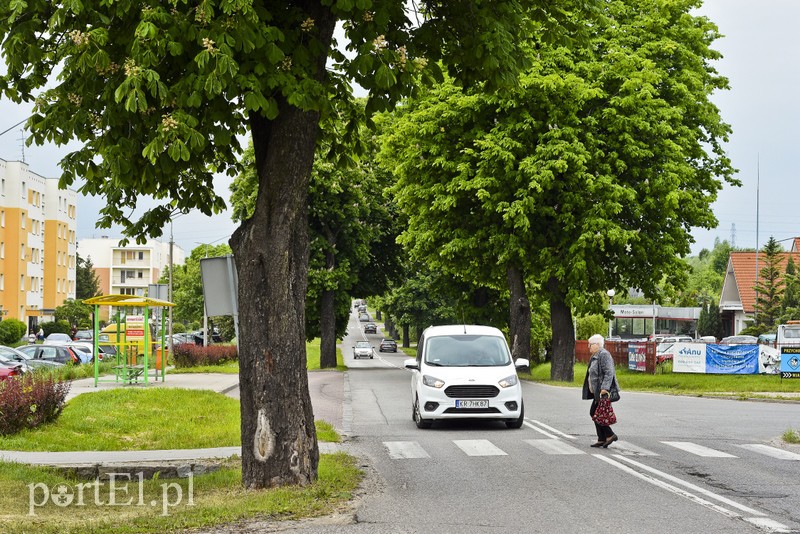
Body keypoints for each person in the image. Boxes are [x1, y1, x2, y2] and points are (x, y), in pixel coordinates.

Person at [582, 333, 620, 448]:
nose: (589, 347)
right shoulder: (596, 355)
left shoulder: (604, 354)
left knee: (594, 412)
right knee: (596, 413)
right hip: (597, 391)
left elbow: (609, 372)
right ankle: (602, 438)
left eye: (590, 345)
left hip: (602, 390)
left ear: (597, 344)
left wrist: (605, 388)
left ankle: (609, 435)